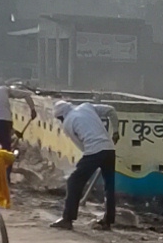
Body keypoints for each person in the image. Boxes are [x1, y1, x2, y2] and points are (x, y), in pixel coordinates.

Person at [50, 99, 117, 232]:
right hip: (110, 149)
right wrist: (115, 131)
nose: (61, 121)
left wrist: (90, 158)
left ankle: (67, 219)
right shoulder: (87, 107)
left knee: (74, 181)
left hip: (94, 151)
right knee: (109, 186)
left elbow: (81, 145)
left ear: (62, 115)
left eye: (59, 119)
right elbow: (111, 110)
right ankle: (108, 221)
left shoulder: (68, 123)